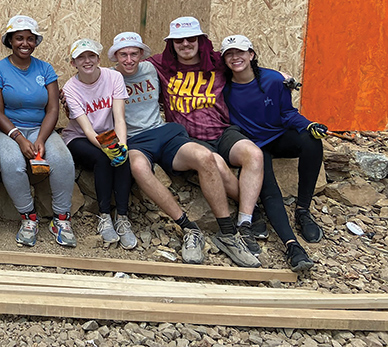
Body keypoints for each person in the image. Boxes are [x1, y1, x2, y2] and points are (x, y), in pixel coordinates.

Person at [109, 31, 260, 267]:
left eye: (134, 54)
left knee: (205, 156)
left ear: (142, 55)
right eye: (123, 55)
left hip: (165, 132)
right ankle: (189, 228)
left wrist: (275, 75)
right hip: (135, 140)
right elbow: (87, 83)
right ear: (114, 57)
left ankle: (228, 233)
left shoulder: (151, 68)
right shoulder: (108, 78)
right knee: (137, 166)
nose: (129, 59)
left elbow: (238, 63)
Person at [149, 16, 266, 257]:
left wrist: (280, 76)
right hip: (188, 138)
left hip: (223, 131)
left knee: (254, 154)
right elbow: (126, 67)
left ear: (200, 40)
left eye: (191, 39)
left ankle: (244, 222)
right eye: (178, 41)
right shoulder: (160, 64)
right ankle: (255, 213)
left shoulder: (216, 61)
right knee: (219, 166)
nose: (185, 45)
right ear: (171, 44)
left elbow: (244, 67)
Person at [221, 34, 322, 272]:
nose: (235, 58)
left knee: (311, 141)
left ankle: (303, 210)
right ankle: (293, 247)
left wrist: (308, 125)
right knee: (270, 191)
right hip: (253, 145)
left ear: (251, 55)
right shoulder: (222, 86)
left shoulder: (274, 80)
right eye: (229, 54)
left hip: (277, 136)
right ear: (224, 59)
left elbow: (287, 113)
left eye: (240, 52)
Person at [0, 16, 75, 248]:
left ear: (35, 41)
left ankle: (61, 219)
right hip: (7, 129)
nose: (24, 43)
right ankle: (29, 218)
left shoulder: (45, 68)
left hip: (40, 128)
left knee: (63, 159)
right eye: (19, 38)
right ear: (10, 41)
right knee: (12, 162)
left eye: (30, 38)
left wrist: (41, 139)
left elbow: (53, 108)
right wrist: (18, 137)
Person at [60, 38, 136, 250]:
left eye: (91, 56)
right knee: (104, 158)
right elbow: (87, 129)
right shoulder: (70, 88)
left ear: (98, 58)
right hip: (79, 138)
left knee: (122, 157)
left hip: (109, 133)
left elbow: (119, 117)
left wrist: (122, 145)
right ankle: (104, 216)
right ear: (73, 63)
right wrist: (109, 149)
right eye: (81, 57)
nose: (87, 61)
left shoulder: (114, 77)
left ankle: (122, 217)